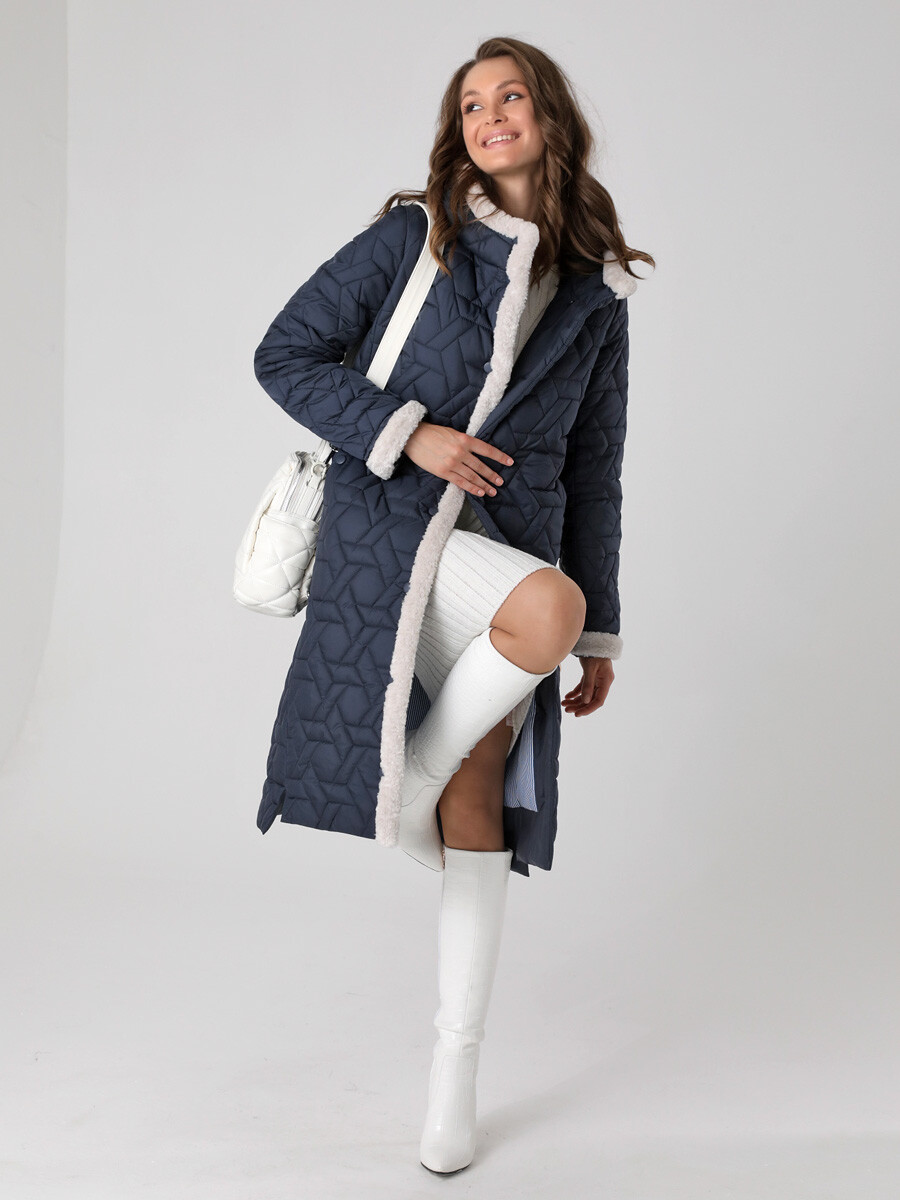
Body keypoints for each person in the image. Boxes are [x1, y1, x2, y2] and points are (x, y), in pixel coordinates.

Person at [251, 35, 654, 1175]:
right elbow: (285, 354)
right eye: (471, 104)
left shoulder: (597, 295)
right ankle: (412, 787)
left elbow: (597, 468)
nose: (490, 115)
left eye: (510, 96)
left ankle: (452, 1087)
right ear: (458, 132)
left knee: (485, 799)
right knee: (544, 614)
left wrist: (602, 629)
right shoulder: (414, 237)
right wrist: (410, 433)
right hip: (391, 539)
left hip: (507, 547)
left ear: (550, 116)